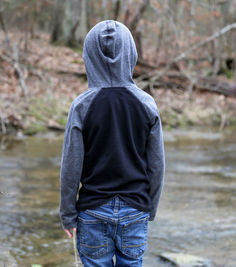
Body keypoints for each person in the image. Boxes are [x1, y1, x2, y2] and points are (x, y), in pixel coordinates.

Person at [59, 20, 165, 267]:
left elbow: (71, 167)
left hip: (92, 210)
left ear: (89, 57)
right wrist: (151, 207)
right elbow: (157, 165)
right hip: (135, 209)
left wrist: (67, 215)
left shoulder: (82, 106)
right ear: (131, 54)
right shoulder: (147, 104)